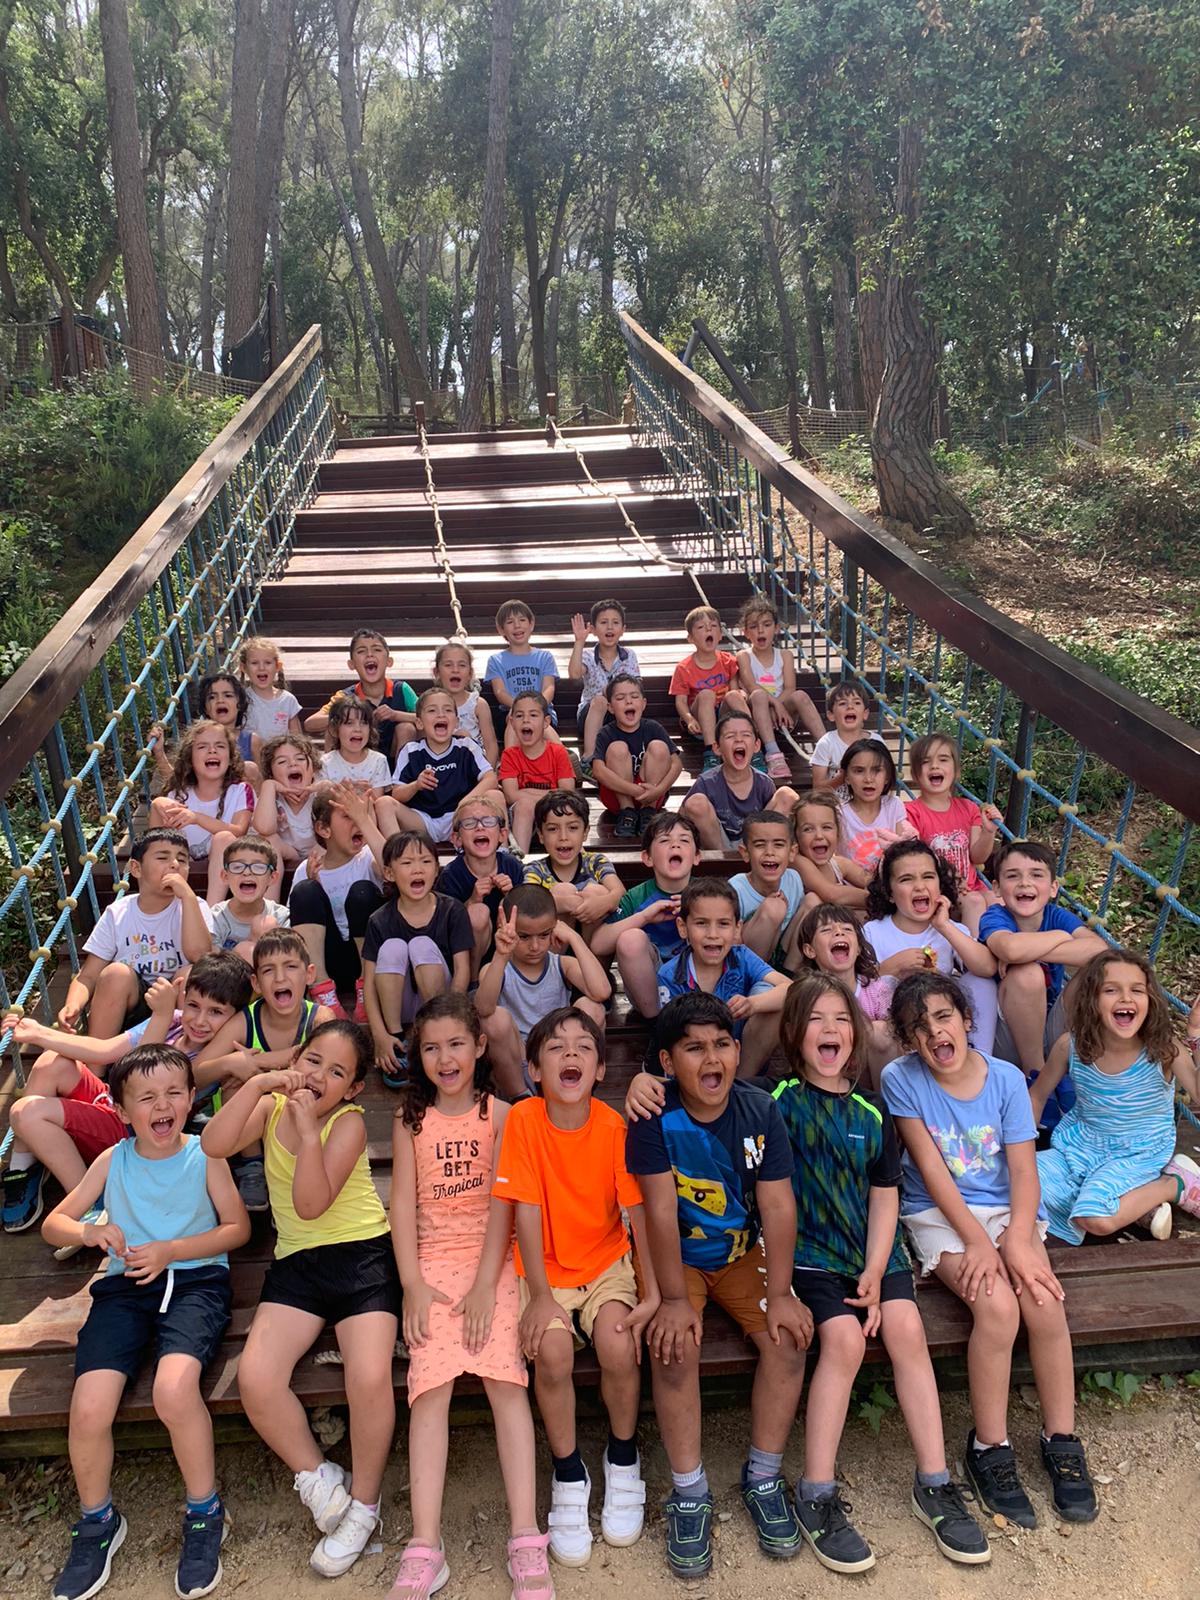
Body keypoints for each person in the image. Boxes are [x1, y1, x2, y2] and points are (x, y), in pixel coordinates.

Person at [771, 976, 989, 1570]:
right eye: (816, 1019)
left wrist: (873, 1270)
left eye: (842, 1018)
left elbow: (885, 1193)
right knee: (843, 1340)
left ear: (857, 1033)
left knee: (907, 1330)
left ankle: (935, 1482)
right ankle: (815, 1491)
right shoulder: (776, 1101)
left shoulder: (873, 1109)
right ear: (793, 1032)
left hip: (874, 1250)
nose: (831, 1030)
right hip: (811, 1254)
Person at [882, 972, 1099, 1529]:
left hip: (1006, 1210)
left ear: (965, 1019)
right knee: (999, 1309)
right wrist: (980, 1244)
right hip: (938, 1213)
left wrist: (1018, 1240)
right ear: (906, 1040)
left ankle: (1061, 1438)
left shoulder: (1003, 1079)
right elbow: (932, 1173)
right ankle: (989, 1447)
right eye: (918, 1028)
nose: (934, 1033)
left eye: (943, 1017)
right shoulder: (901, 1079)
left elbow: (1025, 1172)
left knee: (1044, 1303)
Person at [42, 1044, 249, 1600]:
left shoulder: (206, 1153)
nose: (163, 1105)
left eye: (175, 1093)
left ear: (191, 1098)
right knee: (89, 1406)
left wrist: (172, 1250)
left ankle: (204, 1511)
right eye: (147, 1097)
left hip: (195, 1282)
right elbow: (56, 1223)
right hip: (125, 1287)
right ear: (122, 1109)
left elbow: (236, 1229)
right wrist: (88, 1232)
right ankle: (97, 1522)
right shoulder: (114, 1159)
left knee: (173, 1390)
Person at [202, 1021, 401, 1576]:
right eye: (312, 1061)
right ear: (295, 1060)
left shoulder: (347, 1123)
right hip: (296, 1264)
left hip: (361, 1257)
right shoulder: (270, 1107)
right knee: (256, 1378)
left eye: (336, 1072)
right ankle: (319, 1480)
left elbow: (312, 1204)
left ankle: (365, 1505)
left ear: (353, 1088)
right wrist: (257, 1084)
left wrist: (310, 1133)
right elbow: (213, 1144)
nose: (318, 1076)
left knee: (368, 1376)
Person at [624, 994, 812, 1579]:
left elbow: (777, 1205)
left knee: (788, 1340)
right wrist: (673, 1300)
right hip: (676, 1258)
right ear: (667, 1062)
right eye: (694, 1048)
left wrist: (783, 1293)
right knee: (674, 1347)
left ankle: (763, 1475)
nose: (712, 1059)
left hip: (740, 1253)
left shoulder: (759, 1111)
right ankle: (689, 1490)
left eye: (723, 1044)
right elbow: (658, 1211)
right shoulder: (654, 1117)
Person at [390, 994, 553, 1600]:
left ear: (480, 1046)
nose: (445, 1058)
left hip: (494, 1262)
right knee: (428, 1390)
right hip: (431, 1267)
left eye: (456, 1044)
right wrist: (411, 1284)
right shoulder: (410, 1120)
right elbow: (402, 1207)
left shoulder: (502, 1115)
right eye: (431, 1048)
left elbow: (506, 1204)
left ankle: (526, 1536)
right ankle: (425, 1546)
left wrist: (487, 1283)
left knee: (507, 1383)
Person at [493, 1007, 657, 1566]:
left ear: (601, 1069)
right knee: (553, 1352)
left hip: (606, 1263)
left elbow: (637, 1214)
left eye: (584, 1047)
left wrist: (651, 1293)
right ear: (535, 1070)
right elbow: (526, 1211)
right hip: (543, 1270)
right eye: (556, 1047)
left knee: (618, 1343)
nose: (570, 1054)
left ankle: (623, 1456)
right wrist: (540, 1297)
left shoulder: (611, 1126)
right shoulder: (524, 1120)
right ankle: (568, 1472)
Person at [2, 955, 252, 1237]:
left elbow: (143, 1076)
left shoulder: (218, 1051)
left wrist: (160, 1016)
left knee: (26, 1113)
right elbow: (105, 1050)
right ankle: (25, 1165)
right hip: (117, 1106)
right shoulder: (175, 1021)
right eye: (193, 1005)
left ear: (236, 1017)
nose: (200, 1020)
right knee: (51, 1062)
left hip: (138, 1129)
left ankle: (91, 1204)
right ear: (183, 995)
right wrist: (38, 1033)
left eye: (216, 1012)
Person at [1032, 949, 1200, 1243]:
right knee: (1012, 1183)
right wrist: (1018, 1149)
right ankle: (1135, 1206)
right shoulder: (1070, 1047)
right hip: (1080, 1146)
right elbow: (1036, 1096)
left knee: (1095, 1218)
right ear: (1092, 1000)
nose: (1125, 998)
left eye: (1137, 990)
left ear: (1150, 1000)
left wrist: (1196, 1036)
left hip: (1139, 1151)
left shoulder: (1163, 1050)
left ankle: (1173, 1184)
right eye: (1111, 990)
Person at [194, 930, 336, 1208]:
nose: (280, 978)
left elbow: (329, 1073)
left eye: (290, 966)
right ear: (256, 983)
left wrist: (262, 1064)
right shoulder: (245, 1020)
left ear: (309, 974)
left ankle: (297, 1165)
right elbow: (194, 1074)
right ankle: (252, 1166)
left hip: (301, 1119)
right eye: (269, 970)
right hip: (247, 1130)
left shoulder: (320, 1019)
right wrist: (230, 1063)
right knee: (235, 1082)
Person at [979, 838, 1108, 1113]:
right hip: (1007, 1036)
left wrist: (1036, 947)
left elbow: (1099, 951)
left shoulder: (1056, 916)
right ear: (997, 888)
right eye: (1013, 876)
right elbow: (1010, 948)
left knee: (1094, 973)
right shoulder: (996, 916)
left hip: (1051, 1030)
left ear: (1053, 888)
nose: (1025, 883)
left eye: (1036, 875)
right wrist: (1061, 939)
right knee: (1027, 973)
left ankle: (1070, 1065)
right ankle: (1037, 1079)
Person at [58, 829, 215, 1040]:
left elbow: (200, 955)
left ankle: (182, 1054)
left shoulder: (194, 905)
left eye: (182, 860)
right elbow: (88, 975)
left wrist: (187, 896)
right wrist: (73, 1004)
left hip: (178, 1000)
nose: (174, 864)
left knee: (191, 973)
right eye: (163, 858)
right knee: (116, 974)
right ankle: (97, 1056)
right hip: (132, 1004)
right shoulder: (118, 913)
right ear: (136, 868)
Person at [863, 839, 998, 1054]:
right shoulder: (872, 932)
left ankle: (980, 1058)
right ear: (889, 893)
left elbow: (987, 968)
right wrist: (892, 967)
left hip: (944, 1025)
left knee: (982, 982)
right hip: (899, 1032)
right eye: (906, 879)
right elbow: (857, 989)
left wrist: (944, 926)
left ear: (939, 885)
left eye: (928, 876)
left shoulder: (950, 929)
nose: (919, 886)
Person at [361, 832, 474, 1087]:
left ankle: (432, 1035)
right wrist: (379, 1035)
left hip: (439, 1001)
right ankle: (397, 1041)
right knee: (392, 948)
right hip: (398, 1005)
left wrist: (450, 1018)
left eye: (425, 861)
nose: (417, 869)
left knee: (421, 945)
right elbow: (368, 984)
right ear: (389, 873)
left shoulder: (452, 909)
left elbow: (462, 971)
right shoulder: (379, 920)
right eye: (407, 862)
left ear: (436, 869)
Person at [476, 887, 612, 1096]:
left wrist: (574, 938)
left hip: (560, 1054)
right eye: (524, 936)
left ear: (554, 928)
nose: (535, 946)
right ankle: (520, 1098)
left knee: (592, 1007)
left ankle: (581, 1091)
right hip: (518, 1059)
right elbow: (483, 1009)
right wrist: (501, 956)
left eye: (544, 935)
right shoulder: (497, 968)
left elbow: (602, 992)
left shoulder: (562, 964)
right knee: (494, 1019)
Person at [653, 878, 789, 1078]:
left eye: (723, 924)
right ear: (683, 927)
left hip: (742, 1062)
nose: (713, 934)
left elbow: (792, 989)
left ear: (737, 929)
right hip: (695, 1068)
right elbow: (672, 1037)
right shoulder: (669, 975)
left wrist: (753, 1004)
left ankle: (742, 1085)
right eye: (701, 923)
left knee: (771, 998)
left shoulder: (742, 956)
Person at [288, 782, 389, 1020]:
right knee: (305, 891)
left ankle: (367, 989)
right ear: (324, 829)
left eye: (361, 814)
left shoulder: (368, 858)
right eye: (348, 815)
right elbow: (294, 928)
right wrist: (317, 890)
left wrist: (365, 821)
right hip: (326, 959)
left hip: (367, 959)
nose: (357, 822)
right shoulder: (308, 867)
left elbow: (393, 867)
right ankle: (321, 991)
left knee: (362, 891)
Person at [589, 814, 699, 1017]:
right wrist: (644, 917)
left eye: (684, 840)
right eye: (664, 840)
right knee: (630, 938)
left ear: (697, 856)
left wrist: (698, 912)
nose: (675, 845)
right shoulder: (636, 897)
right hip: (650, 989)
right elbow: (598, 944)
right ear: (647, 858)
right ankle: (656, 1021)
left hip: (699, 980)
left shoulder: (708, 893)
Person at [903, 733, 1002, 935]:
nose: (934, 766)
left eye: (943, 759)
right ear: (915, 774)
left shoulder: (968, 808)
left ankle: (1000, 948)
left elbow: (978, 857)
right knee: (975, 901)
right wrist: (949, 876)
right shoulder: (911, 812)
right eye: (926, 762)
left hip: (970, 886)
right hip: (936, 888)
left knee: (998, 900)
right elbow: (915, 858)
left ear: (956, 772)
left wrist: (988, 832)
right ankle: (971, 952)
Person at [149, 720, 255, 905]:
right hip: (183, 865)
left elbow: (239, 831)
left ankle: (210, 910)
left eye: (220, 746)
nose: (212, 751)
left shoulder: (240, 791)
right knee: (159, 805)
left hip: (229, 863)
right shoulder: (179, 794)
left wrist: (197, 818)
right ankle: (164, 903)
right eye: (202, 746)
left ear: (230, 757)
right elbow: (155, 843)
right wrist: (159, 753)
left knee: (224, 837)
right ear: (190, 759)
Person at [795, 904, 895, 1085]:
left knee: (881, 1031)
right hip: (826, 1065)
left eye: (847, 929)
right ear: (810, 950)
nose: (839, 932)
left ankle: (886, 1102)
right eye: (826, 930)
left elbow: (892, 1040)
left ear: (858, 948)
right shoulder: (806, 994)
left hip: (868, 1072)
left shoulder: (877, 990)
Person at [390, 688, 499, 843]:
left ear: (456, 721)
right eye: (432, 710)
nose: (441, 715)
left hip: (460, 819)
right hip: (422, 820)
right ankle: (395, 853)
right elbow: (396, 794)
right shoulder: (410, 751)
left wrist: (465, 804)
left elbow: (491, 778)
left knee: (495, 795)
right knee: (384, 804)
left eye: (447, 710)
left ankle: (502, 851)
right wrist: (416, 785)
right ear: (419, 723)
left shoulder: (466, 746)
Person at [681, 709, 799, 849]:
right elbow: (681, 818)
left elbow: (771, 818)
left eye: (746, 735)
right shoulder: (706, 782)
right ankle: (724, 861)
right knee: (696, 802)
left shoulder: (763, 782)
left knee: (787, 795)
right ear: (717, 748)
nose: (739, 739)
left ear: (756, 746)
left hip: (754, 842)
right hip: (718, 845)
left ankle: (756, 854)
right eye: (730, 736)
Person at [435, 793, 525, 978]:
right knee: (478, 912)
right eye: (469, 823)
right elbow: (444, 925)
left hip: (509, 946)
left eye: (489, 821)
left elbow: (528, 914)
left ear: (502, 834)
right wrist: (472, 900)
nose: (480, 827)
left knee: (511, 907)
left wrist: (511, 895)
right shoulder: (451, 875)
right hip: (467, 952)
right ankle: (473, 981)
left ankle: (514, 976)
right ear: (457, 839)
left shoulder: (512, 865)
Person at [734, 596, 825, 777]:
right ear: (746, 632)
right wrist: (776, 705)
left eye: (767, 625)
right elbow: (752, 686)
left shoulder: (785, 655)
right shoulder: (744, 656)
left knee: (800, 695)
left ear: (776, 628)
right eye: (754, 626)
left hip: (784, 716)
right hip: (758, 715)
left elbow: (790, 688)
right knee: (759, 695)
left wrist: (779, 707)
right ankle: (774, 755)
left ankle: (828, 746)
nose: (761, 630)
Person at [303, 628, 418, 762]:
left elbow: (427, 717)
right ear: (351, 664)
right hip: (358, 758)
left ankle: (403, 774)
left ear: (389, 661)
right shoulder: (345, 696)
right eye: (361, 651)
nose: (369, 654)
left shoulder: (401, 689)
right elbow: (310, 723)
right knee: (332, 729)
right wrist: (350, 716)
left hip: (394, 756)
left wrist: (395, 715)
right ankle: (333, 772)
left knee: (406, 728)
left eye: (377, 649)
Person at [590, 673, 682, 838]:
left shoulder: (653, 728)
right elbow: (598, 770)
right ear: (610, 707)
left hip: (653, 795)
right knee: (617, 748)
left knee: (659, 747)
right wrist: (633, 790)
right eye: (620, 698)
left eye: (634, 696)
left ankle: (648, 812)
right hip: (617, 796)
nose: (629, 701)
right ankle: (628, 812)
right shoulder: (606, 733)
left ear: (643, 703)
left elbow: (677, 764)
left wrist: (659, 790)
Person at [522, 791, 622, 941]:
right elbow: (527, 902)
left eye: (573, 828)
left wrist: (603, 903)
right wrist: (566, 903)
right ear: (541, 835)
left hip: (594, 944)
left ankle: (590, 956)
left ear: (585, 832)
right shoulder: (535, 869)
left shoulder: (595, 862)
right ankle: (556, 958)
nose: (563, 837)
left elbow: (619, 891)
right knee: (562, 890)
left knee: (597, 892)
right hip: (552, 945)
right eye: (552, 829)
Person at [669, 605, 752, 767]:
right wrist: (689, 719)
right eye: (701, 627)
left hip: (723, 718)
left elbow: (733, 688)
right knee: (707, 694)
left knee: (734, 695)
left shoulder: (728, 661)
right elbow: (681, 702)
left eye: (713, 626)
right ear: (691, 638)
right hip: (700, 720)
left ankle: (753, 746)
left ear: (720, 635)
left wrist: (741, 694)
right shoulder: (683, 668)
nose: (708, 629)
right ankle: (711, 752)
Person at [498, 691, 575, 852]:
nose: (526, 720)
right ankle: (519, 859)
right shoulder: (510, 755)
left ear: (546, 722)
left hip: (553, 813)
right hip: (521, 819)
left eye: (533, 715)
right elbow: (511, 795)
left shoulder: (558, 752)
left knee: (564, 808)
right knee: (525, 805)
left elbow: (567, 792)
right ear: (512, 722)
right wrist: (552, 793)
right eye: (519, 716)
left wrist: (525, 793)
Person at [730, 809, 807, 972]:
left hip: (782, 955)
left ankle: (790, 973)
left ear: (792, 852)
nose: (769, 853)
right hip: (748, 963)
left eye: (778, 845)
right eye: (760, 845)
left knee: (813, 901)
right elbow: (731, 941)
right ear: (745, 853)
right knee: (774, 908)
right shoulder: (736, 888)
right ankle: (759, 976)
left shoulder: (794, 878)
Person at [568, 599, 640, 771]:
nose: (609, 627)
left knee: (628, 701)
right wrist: (579, 642)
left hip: (619, 713)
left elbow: (637, 687)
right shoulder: (587, 656)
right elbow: (574, 674)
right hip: (591, 715)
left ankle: (635, 756)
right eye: (603, 622)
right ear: (593, 629)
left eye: (615, 623)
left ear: (623, 629)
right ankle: (588, 759)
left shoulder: (629, 656)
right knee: (600, 700)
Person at [485, 600, 562, 746]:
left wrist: (535, 707)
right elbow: (500, 692)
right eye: (510, 622)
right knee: (516, 717)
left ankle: (562, 757)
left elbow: (549, 688)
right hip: (510, 711)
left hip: (542, 710)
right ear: (501, 629)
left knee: (538, 719)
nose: (517, 625)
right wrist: (521, 707)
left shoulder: (544, 657)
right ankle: (510, 759)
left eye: (522, 620)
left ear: (531, 624)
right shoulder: (496, 661)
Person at [319, 692, 402, 822]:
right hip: (337, 820)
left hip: (369, 820)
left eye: (363, 723)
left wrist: (367, 792)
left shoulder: (378, 760)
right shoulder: (325, 762)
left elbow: (378, 804)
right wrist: (341, 790)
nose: (357, 729)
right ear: (335, 730)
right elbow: (322, 804)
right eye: (349, 723)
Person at [836, 738, 915, 872]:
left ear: (887, 776)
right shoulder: (839, 814)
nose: (868, 779)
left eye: (876, 770)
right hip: (853, 883)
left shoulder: (894, 805)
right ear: (846, 777)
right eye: (859, 771)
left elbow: (905, 851)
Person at [209, 838, 289, 961]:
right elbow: (212, 963)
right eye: (237, 867)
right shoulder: (215, 918)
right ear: (225, 876)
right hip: (229, 972)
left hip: (268, 971)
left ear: (272, 878)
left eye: (258, 867)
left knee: (267, 925)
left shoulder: (281, 917)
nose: (247, 872)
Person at [792, 793, 870, 913]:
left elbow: (870, 881)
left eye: (826, 827)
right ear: (796, 836)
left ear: (837, 833)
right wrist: (880, 900)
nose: (819, 836)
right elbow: (832, 894)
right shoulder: (797, 861)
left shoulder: (838, 864)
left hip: (830, 924)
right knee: (813, 900)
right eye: (808, 829)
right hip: (805, 924)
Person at [252, 734, 322, 865]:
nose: (292, 763)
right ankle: (274, 879)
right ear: (271, 774)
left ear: (313, 770)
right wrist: (269, 785)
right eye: (282, 762)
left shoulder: (320, 793)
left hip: (319, 852)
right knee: (268, 840)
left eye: (300, 759)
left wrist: (327, 789)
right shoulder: (271, 796)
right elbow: (264, 828)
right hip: (289, 853)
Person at [432, 638, 499, 767]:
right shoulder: (431, 704)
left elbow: (491, 745)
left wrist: (488, 772)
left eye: (462, 665)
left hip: (474, 764)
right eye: (448, 665)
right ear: (437, 672)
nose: (455, 670)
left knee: (464, 736)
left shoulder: (478, 704)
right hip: (443, 764)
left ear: (470, 673)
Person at [237, 636, 302, 746]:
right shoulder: (241, 699)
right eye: (254, 663)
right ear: (243, 667)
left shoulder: (288, 700)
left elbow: (297, 739)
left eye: (267, 662)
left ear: (277, 666)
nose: (261, 668)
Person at [808, 683, 871, 792]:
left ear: (865, 713)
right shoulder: (826, 743)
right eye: (842, 703)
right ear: (831, 715)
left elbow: (884, 777)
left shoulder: (876, 741)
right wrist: (842, 777)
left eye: (857, 702)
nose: (850, 706)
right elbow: (817, 788)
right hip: (835, 801)